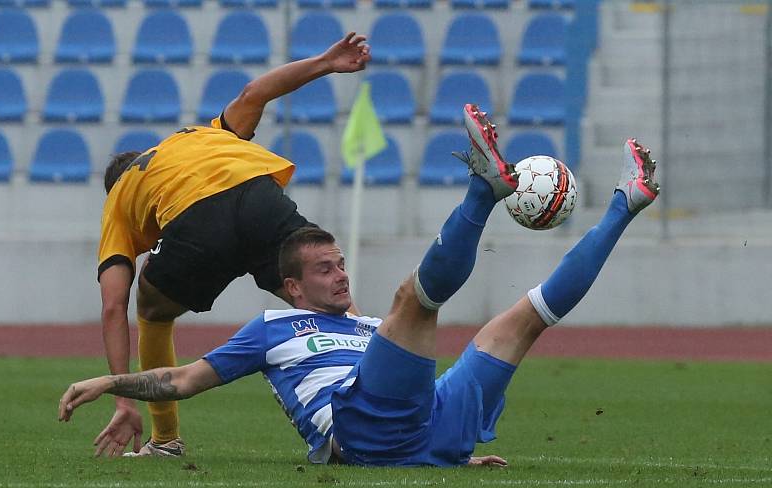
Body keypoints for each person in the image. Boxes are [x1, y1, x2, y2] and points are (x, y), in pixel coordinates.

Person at [61, 104, 660, 466]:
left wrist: (449, 451)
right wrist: (112, 384)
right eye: (324, 269)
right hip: (359, 430)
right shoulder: (272, 328)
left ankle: (623, 206)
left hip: (424, 427)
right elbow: (184, 379)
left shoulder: (368, 326)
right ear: (290, 287)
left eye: (341, 263)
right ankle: (482, 191)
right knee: (414, 305)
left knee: (525, 319)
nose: (341, 275)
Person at [95, 33, 371, 458]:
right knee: (326, 292)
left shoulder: (120, 196)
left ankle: (165, 439)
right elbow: (254, 92)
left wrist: (122, 400)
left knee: (151, 309)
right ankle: (378, 403)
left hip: (198, 220)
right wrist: (326, 61)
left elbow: (113, 305)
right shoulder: (200, 136)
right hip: (259, 193)